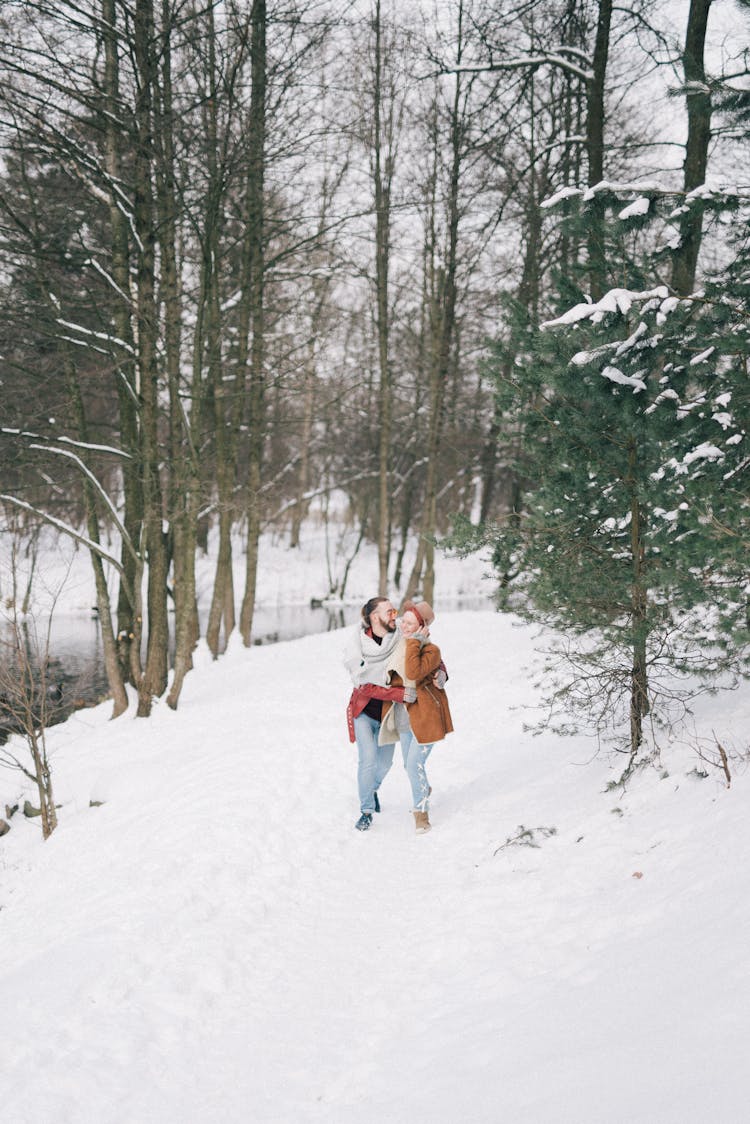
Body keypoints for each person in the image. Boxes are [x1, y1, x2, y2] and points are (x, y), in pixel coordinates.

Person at [378, 600, 453, 834]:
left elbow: (413, 672)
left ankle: (421, 814)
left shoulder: (430, 650)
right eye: (404, 620)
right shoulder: (396, 645)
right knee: (410, 767)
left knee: (414, 764)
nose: (404, 626)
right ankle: (424, 788)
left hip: (425, 717)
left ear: (422, 627)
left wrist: (416, 642)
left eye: (411, 623)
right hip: (403, 716)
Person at [343, 597, 417, 831]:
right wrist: (399, 693)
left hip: (388, 715)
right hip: (364, 711)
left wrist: (441, 673)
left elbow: (424, 647)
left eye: (394, 611)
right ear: (375, 617)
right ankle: (366, 811)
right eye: (389, 612)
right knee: (368, 760)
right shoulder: (358, 647)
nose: (394, 615)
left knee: (385, 763)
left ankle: (372, 788)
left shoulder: (398, 640)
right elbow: (364, 684)